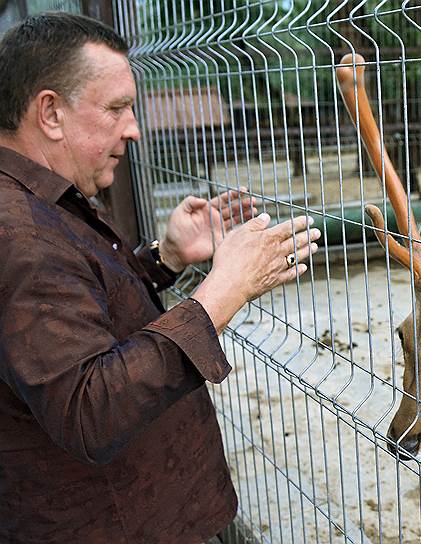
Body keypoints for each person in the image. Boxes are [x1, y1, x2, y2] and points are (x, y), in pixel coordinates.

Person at [0, 12, 320, 543]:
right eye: (117, 107)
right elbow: (89, 409)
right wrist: (223, 291)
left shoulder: (42, 201)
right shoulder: (20, 236)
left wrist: (165, 258)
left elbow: (78, 310)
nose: (134, 127)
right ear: (50, 112)